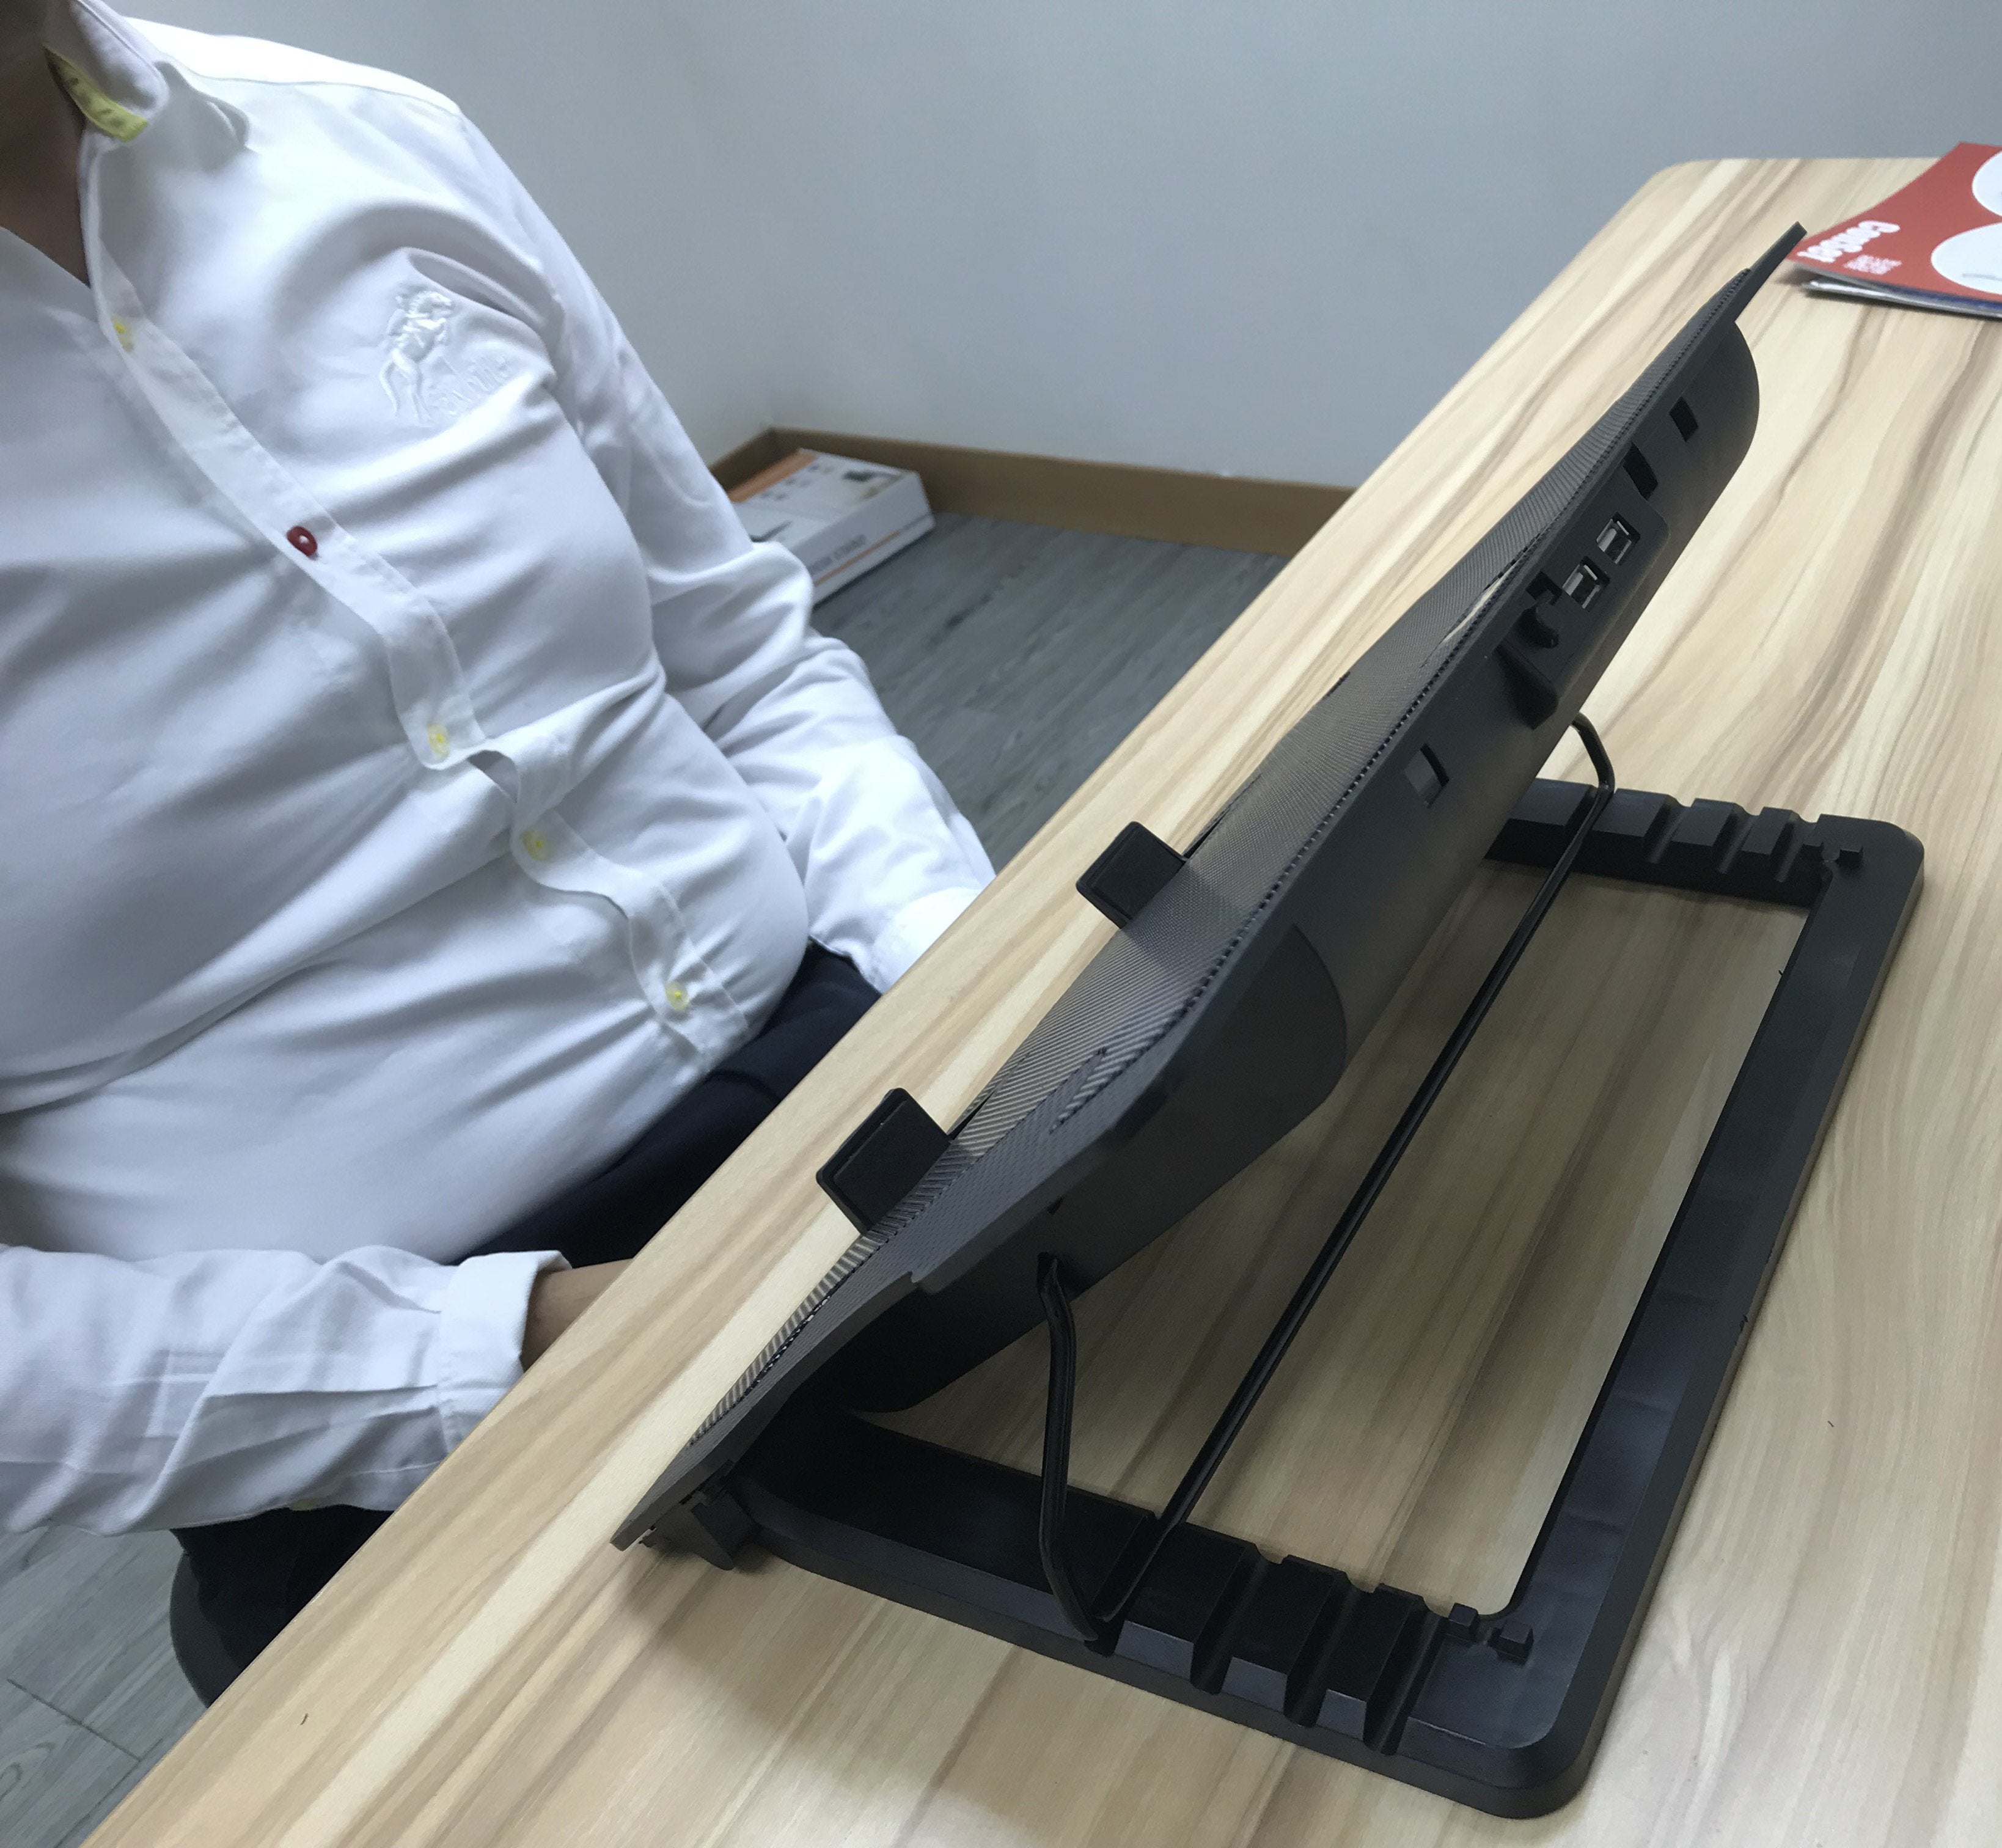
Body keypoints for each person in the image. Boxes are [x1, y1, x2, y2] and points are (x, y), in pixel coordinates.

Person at [0, 0, 992, 1693]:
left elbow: (737, 656)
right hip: (395, 1377)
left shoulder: (358, 136)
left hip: (856, 1057)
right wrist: (508, 1353)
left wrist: (974, 982)